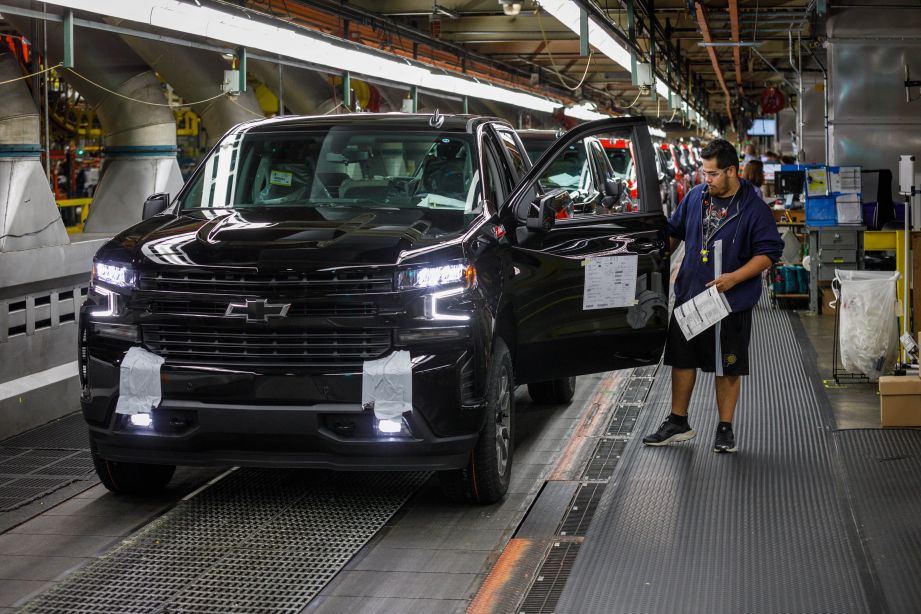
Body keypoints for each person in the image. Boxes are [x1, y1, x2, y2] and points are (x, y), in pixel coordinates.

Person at [643, 139, 783, 453]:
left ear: (732, 170)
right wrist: (645, 257)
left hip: (729, 301)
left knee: (727, 365)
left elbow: (769, 253)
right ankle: (678, 421)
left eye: (713, 173)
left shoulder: (753, 208)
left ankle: (725, 427)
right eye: (705, 173)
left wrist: (734, 278)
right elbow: (674, 231)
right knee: (682, 361)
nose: (707, 179)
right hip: (692, 294)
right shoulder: (695, 198)